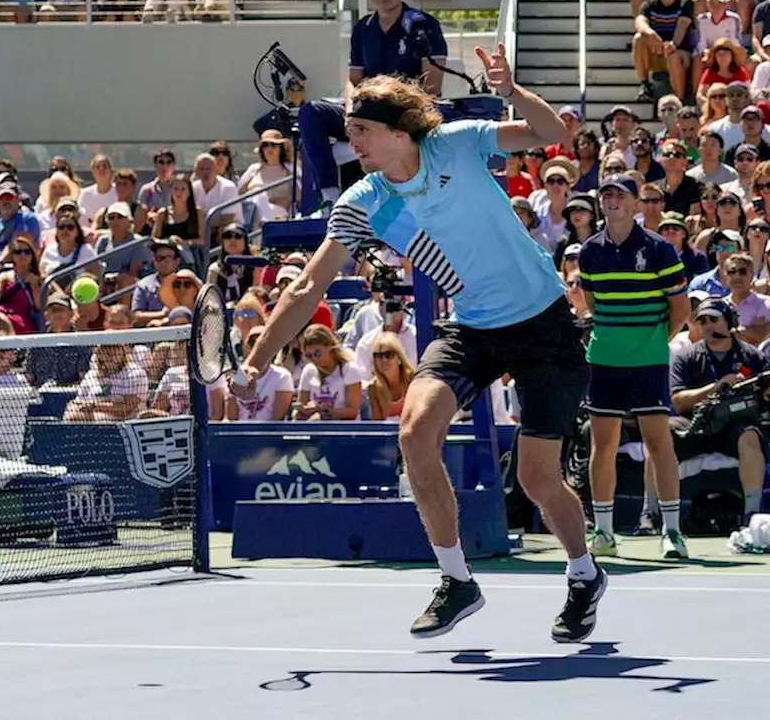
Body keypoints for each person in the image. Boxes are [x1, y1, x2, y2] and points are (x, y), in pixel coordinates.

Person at [238, 45, 603, 642]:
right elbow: (307, 285)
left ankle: (583, 572)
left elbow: (548, 131)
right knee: (414, 432)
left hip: (544, 323)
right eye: (348, 130)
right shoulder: (366, 202)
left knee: (538, 479)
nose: (351, 141)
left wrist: (511, 89)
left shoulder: (457, 143)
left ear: (400, 130)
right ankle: (456, 579)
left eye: (361, 130)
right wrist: (256, 358)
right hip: (474, 326)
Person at [578, 173, 691, 560]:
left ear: (636, 204)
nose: (611, 200)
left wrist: (650, 340)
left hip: (648, 362)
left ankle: (672, 531)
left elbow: (681, 310)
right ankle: (604, 531)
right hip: (604, 361)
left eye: (619, 195)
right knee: (602, 445)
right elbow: (594, 305)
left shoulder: (660, 249)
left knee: (659, 443)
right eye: (605, 194)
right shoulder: (589, 251)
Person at [298, 0, 448, 213]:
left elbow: (431, 87)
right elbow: (353, 80)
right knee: (310, 112)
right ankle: (329, 196)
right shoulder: (363, 28)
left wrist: (393, 111)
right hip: (366, 113)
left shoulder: (424, 26)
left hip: (404, 116)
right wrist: (350, 112)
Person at [669, 296, 770, 524]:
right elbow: (678, 401)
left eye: (713, 319)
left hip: (734, 425)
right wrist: (717, 386)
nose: (708, 326)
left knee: (750, 435)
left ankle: (751, 515)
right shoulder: (686, 357)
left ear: (730, 321)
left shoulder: (752, 356)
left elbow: (766, 392)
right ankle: (650, 512)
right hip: (696, 425)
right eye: (702, 321)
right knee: (660, 436)